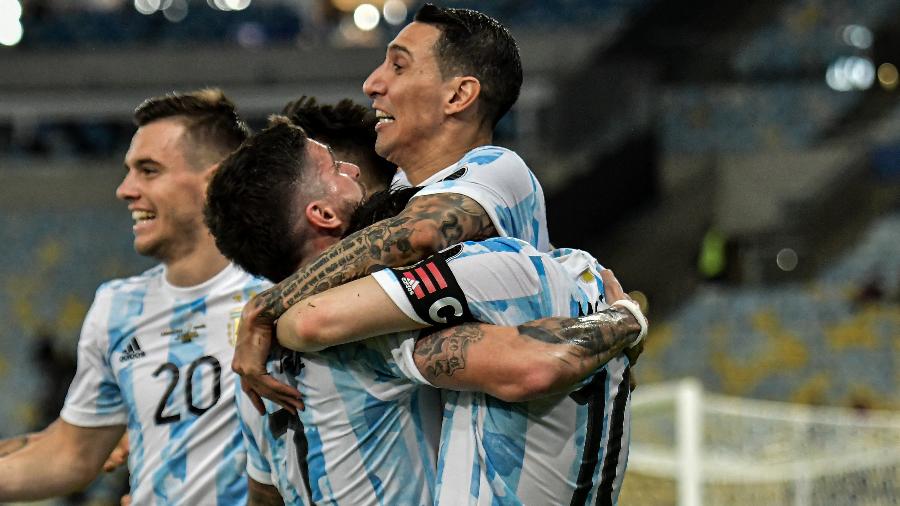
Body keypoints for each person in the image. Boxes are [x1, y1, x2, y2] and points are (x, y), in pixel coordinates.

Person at [206, 119, 646, 505]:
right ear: (321, 214)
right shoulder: (369, 330)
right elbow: (528, 365)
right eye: (336, 168)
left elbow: (264, 492)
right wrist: (625, 320)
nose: (355, 169)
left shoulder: (253, 370)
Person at [235, 2, 553, 421]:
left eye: (398, 67)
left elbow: (418, 234)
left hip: (520, 441)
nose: (371, 84)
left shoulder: (497, 169)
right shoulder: (402, 186)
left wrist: (269, 305)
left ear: (458, 95)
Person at [0, 89, 268, 505]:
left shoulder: (281, 291)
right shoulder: (118, 307)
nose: (125, 189)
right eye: (129, 171)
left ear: (215, 179)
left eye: (149, 170)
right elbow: (70, 455)